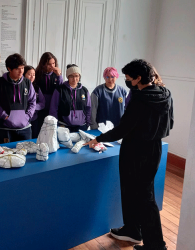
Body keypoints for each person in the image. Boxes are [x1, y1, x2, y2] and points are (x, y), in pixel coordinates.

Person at [85, 59, 173, 250]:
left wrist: (98, 139)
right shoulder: (165, 94)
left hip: (135, 151)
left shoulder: (140, 100)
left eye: (128, 78)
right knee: (136, 193)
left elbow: (122, 129)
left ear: (139, 78)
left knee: (144, 197)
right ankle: (133, 230)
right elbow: (170, 125)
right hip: (153, 149)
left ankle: (156, 245)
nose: (126, 81)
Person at [0, 53, 36, 143]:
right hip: (5, 128)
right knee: (6, 155)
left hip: (25, 128)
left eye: (22, 68)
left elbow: (32, 101)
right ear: (9, 69)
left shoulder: (27, 83)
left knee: (26, 155)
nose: (21, 71)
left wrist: (28, 116)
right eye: (17, 69)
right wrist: (5, 116)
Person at [49, 64, 91, 132]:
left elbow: (88, 108)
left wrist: (88, 124)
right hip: (64, 126)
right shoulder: (60, 90)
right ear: (68, 76)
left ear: (79, 76)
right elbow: (53, 108)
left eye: (76, 76)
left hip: (82, 127)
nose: (74, 79)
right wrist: (56, 124)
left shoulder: (84, 90)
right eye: (71, 76)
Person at [34, 52, 63, 129]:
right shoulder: (37, 74)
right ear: (43, 64)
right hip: (40, 107)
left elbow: (60, 89)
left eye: (53, 63)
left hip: (53, 106)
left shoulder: (56, 75)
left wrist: (59, 76)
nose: (52, 66)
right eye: (49, 64)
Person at [24, 65, 45, 138]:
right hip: (23, 118)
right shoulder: (20, 87)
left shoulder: (36, 87)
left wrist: (33, 107)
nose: (32, 77)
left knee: (34, 137)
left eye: (34, 75)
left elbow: (42, 103)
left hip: (34, 118)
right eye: (29, 74)